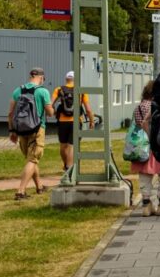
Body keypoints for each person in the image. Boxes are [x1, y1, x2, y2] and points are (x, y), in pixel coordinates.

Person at [128, 81, 160, 216]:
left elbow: (137, 125)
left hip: (142, 147)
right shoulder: (159, 106)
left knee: (144, 177)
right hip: (159, 145)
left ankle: (147, 205)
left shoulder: (139, 107)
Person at [8, 67, 54, 201]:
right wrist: (53, 109)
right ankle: (21, 191)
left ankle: (39, 186)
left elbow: (10, 114)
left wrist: (12, 131)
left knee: (31, 160)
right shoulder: (43, 91)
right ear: (40, 77)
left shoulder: (18, 90)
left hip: (21, 130)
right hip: (37, 129)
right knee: (33, 160)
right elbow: (50, 112)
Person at [52, 71, 95, 173]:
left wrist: (54, 112)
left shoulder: (59, 89)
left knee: (63, 145)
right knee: (72, 146)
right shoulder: (80, 90)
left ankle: (66, 165)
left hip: (62, 122)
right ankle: (70, 170)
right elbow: (88, 109)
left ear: (66, 79)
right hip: (75, 121)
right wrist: (91, 121)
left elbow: (50, 104)